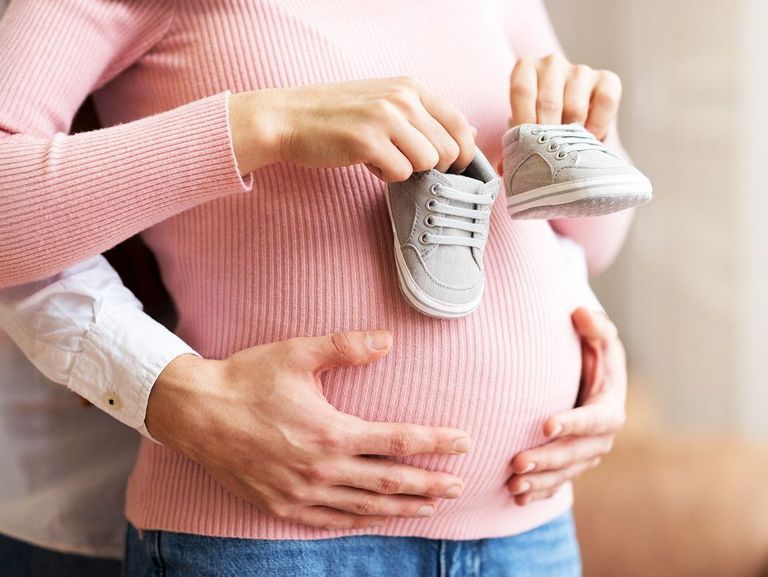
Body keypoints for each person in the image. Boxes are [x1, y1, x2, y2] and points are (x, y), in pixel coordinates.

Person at [0, 1, 630, 575]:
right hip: (266, 542)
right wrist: (264, 122)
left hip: (527, 529)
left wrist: (591, 134)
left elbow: (591, 246)